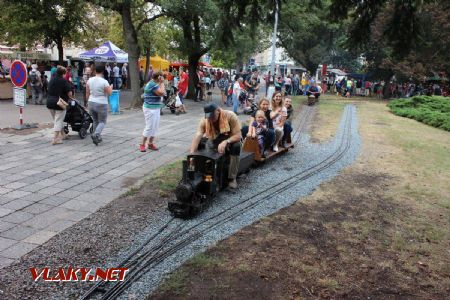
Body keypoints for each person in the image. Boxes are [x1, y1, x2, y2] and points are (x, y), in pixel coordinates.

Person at [189, 103, 241, 189]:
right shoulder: (205, 120)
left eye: (212, 116)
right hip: (214, 141)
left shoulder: (231, 116)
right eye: (208, 117)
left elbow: (238, 136)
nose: (210, 119)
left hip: (230, 140)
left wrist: (226, 141)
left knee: (236, 146)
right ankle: (200, 174)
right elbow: (198, 135)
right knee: (200, 143)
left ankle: (232, 178)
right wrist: (191, 155)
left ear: (218, 111)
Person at [86, 65, 113, 146]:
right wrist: (111, 87)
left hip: (91, 101)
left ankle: (96, 136)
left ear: (95, 71)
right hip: (101, 103)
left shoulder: (89, 80)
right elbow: (110, 93)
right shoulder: (104, 82)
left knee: (95, 120)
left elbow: (87, 92)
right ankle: (96, 134)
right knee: (102, 121)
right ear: (102, 72)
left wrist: (87, 102)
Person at [140, 71, 166, 152]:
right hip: (150, 108)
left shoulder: (154, 83)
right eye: (162, 77)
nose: (163, 78)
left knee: (155, 127)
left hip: (155, 107)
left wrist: (161, 84)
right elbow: (162, 93)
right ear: (159, 77)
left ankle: (150, 143)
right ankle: (142, 144)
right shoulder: (152, 84)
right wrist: (162, 83)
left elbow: (163, 93)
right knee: (149, 127)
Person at [46, 66, 72, 145]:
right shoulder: (63, 81)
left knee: (57, 120)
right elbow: (69, 93)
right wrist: (70, 97)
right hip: (59, 103)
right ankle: (55, 139)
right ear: (63, 74)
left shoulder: (51, 79)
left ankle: (63, 135)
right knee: (58, 121)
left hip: (49, 102)